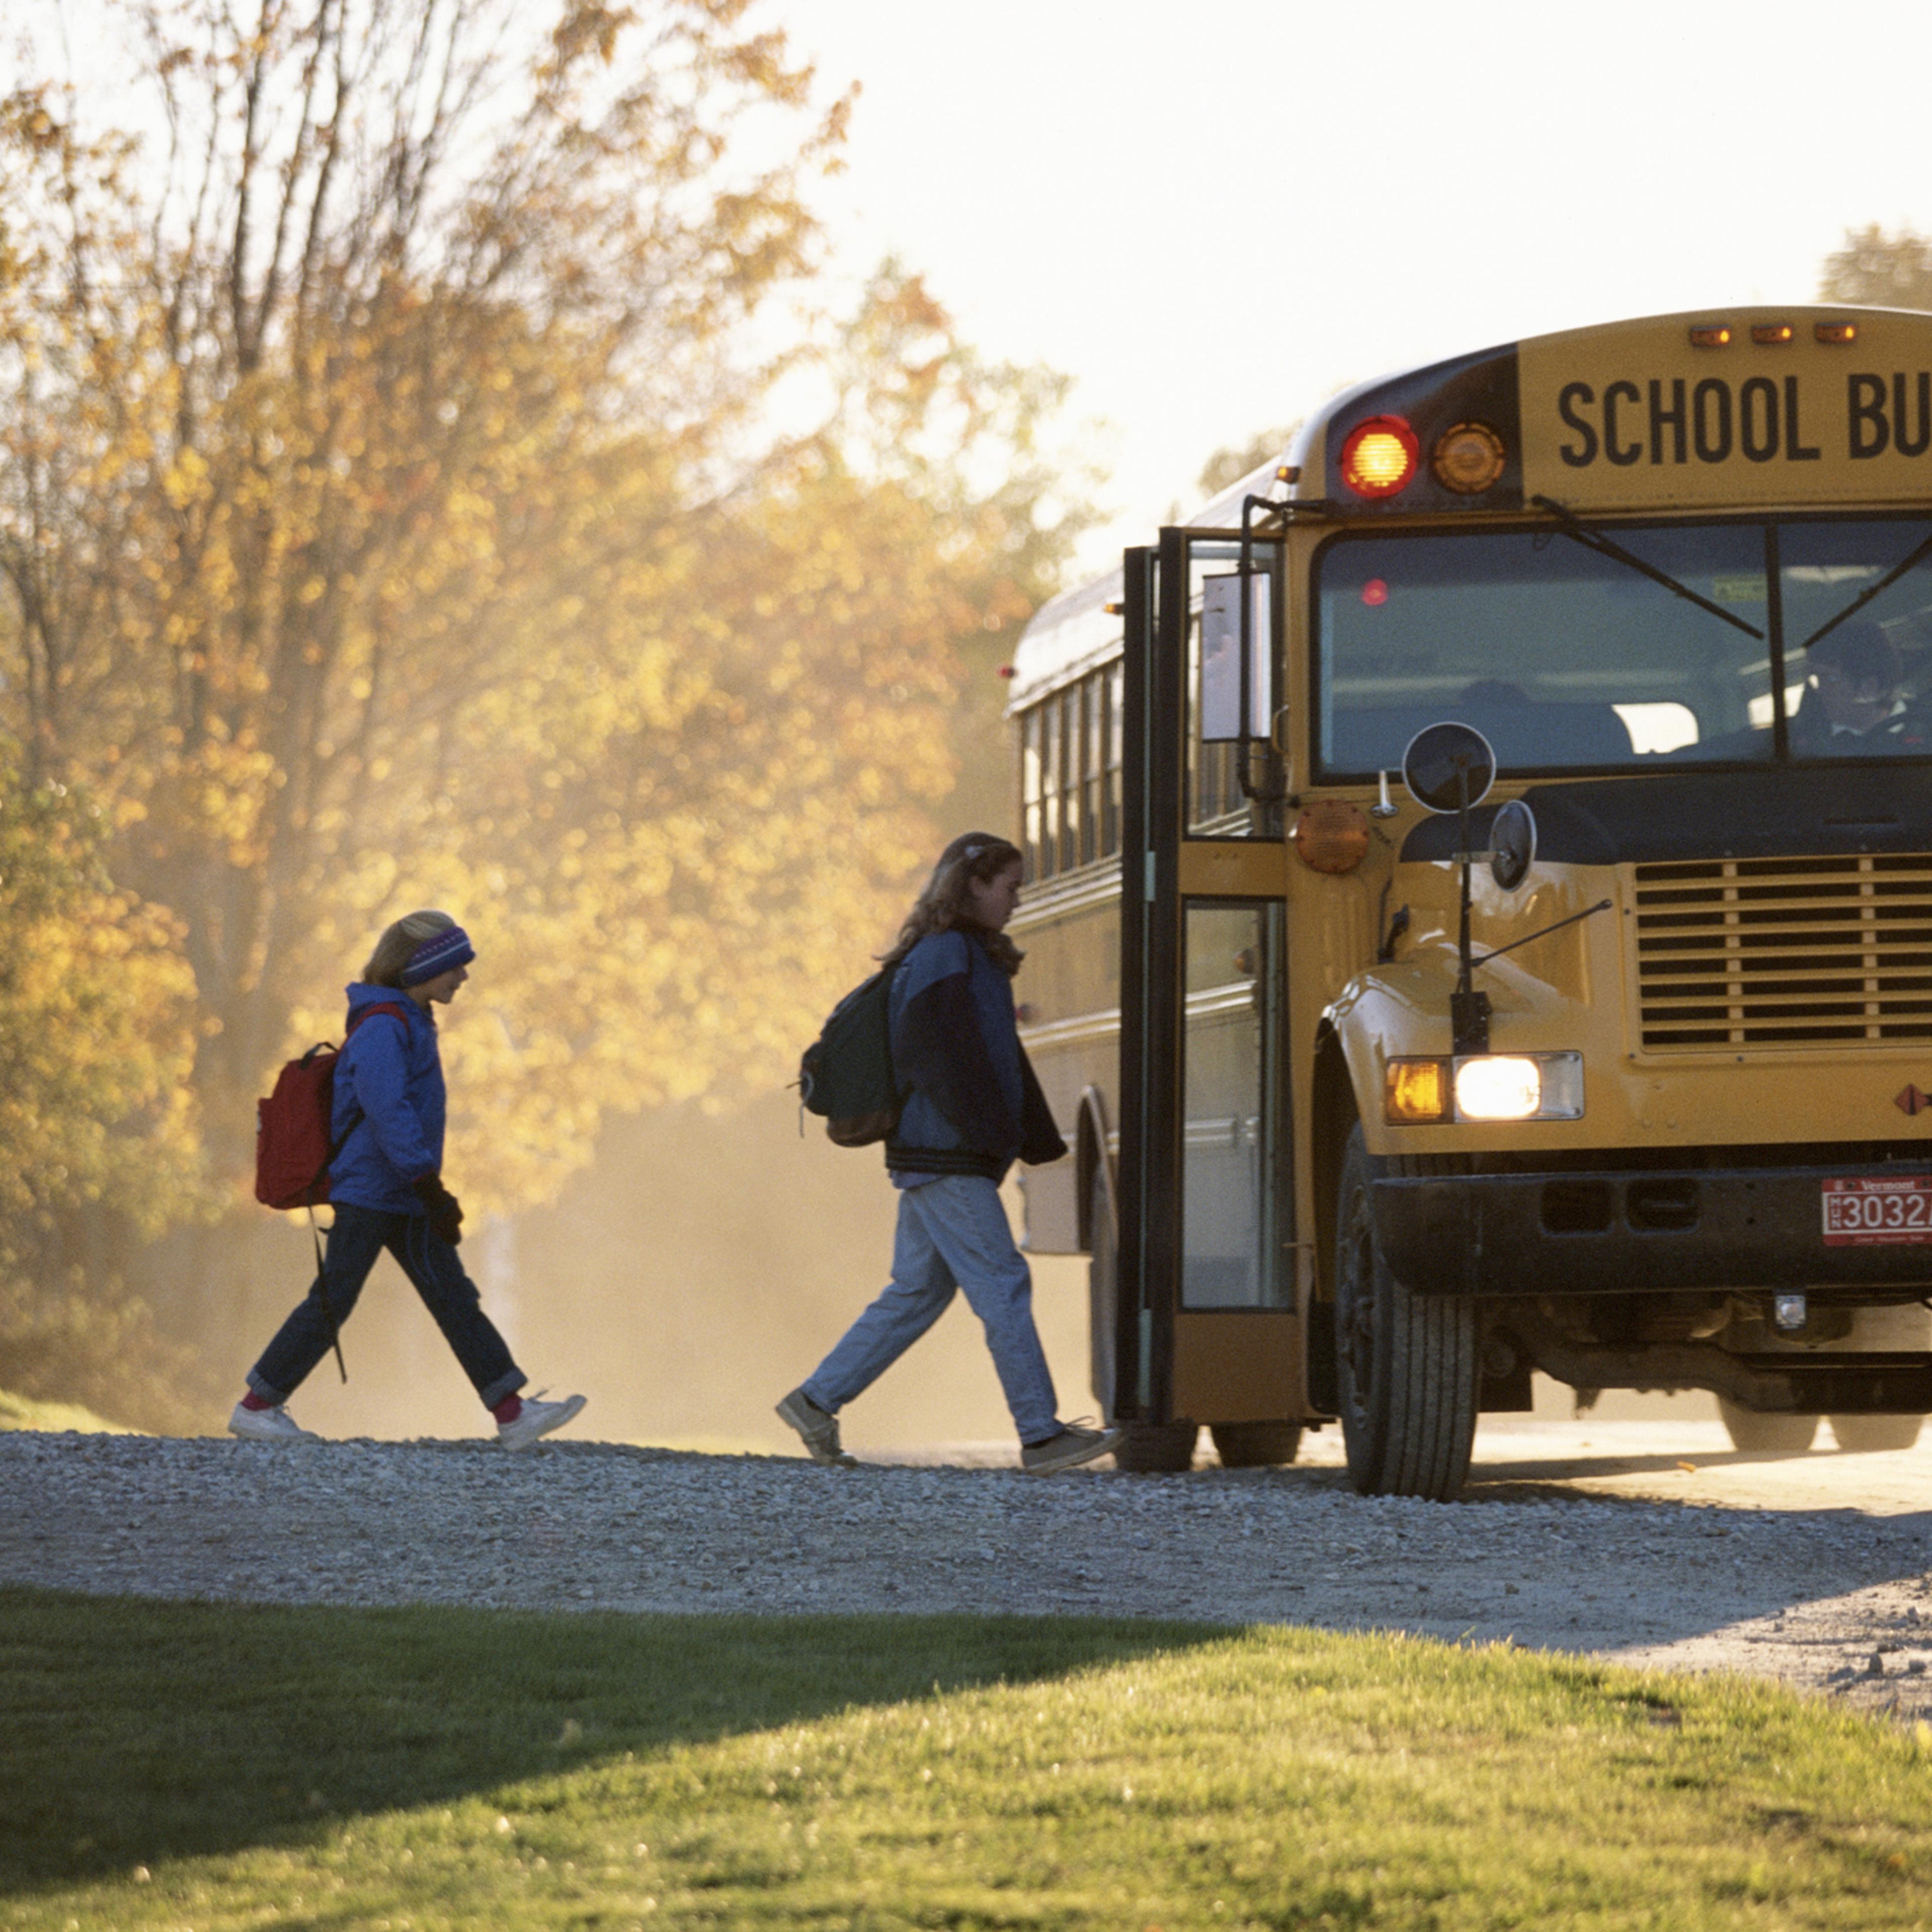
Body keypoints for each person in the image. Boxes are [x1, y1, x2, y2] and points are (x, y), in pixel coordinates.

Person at [777, 833, 1123, 1476]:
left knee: (916, 1291)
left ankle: (815, 1400)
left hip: (935, 1151)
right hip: (945, 1154)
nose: (1018, 900)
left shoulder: (955, 955)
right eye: (1011, 887)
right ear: (973, 886)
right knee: (1002, 1285)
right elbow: (933, 1055)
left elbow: (991, 1055)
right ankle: (1040, 1435)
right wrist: (990, 1132)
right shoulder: (949, 956)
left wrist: (1026, 1134)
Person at [229, 910, 586, 1450]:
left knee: (452, 1296)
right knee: (335, 1299)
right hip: (374, 1192)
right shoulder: (382, 1026)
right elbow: (387, 1110)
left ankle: (512, 1413)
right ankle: (257, 1406)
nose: (462, 978)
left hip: (401, 1191)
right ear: (420, 968)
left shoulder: (408, 1020)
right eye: (454, 967)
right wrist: (428, 1186)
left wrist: (423, 1190)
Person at [1790, 622, 1926, 753]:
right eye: (1816, 679)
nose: (1819, 691)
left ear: (1869, 687)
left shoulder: (1925, 727)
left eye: (1830, 679)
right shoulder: (1797, 741)